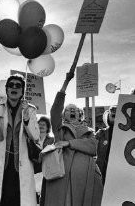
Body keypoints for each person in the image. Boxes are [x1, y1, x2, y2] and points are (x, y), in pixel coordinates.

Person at [0, 74, 40, 206]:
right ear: (6, 89)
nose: (14, 87)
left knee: (18, 199)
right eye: (11, 85)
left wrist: (26, 117)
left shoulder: (30, 109)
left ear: (22, 91)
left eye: (18, 86)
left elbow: (35, 136)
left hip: (21, 165)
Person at [43, 72, 103, 206]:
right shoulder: (60, 129)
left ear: (80, 114)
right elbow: (55, 110)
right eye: (69, 109)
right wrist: (66, 82)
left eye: (75, 110)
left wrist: (69, 143)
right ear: (63, 115)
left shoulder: (89, 132)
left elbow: (93, 147)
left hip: (85, 179)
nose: (72, 111)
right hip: (62, 178)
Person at [95, 105, 117, 185]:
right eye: (113, 114)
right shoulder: (101, 134)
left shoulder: (130, 134)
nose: (115, 116)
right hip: (104, 173)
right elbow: (90, 147)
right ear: (108, 117)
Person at [37, 116, 54, 206]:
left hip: (47, 170)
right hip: (35, 170)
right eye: (39, 124)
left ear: (48, 127)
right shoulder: (32, 139)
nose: (41, 126)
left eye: (44, 124)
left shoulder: (52, 140)